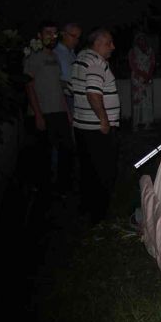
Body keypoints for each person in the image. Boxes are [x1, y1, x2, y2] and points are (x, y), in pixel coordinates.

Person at [70, 28, 120, 224]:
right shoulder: (97, 62)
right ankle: (99, 216)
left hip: (82, 126)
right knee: (104, 172)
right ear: (97, 43)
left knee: (88, 170)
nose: (113, 47)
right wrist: (104, 119)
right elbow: (93, 92)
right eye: (109, 43)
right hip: (97, 129)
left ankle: (86, 207)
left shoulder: (81, 58)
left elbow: (70, 87)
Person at [24, 20, 75, 196]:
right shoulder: (33, 56)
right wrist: (38, 115)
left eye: (54, 33)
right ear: (39, 35)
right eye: (47, 33)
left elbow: (58, 87)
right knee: (42, 154)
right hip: (43, 113)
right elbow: (29, 86)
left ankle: (62, 187)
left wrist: (68, 113)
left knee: (66, 149)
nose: (51, 36)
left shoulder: (54, 57)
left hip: (59, 111)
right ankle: (42, 189)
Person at [128, 32, 155, 131]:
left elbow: (152, 64)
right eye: (139, 39)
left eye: (143, 39)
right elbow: (133, 66)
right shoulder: (133, 52)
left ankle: (147, 123)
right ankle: (135, 124)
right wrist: (142, 75)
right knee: (137, 101)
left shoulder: (150, 51)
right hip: (137, 79)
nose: (141, 41)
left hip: (148, 78)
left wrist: (148, 76)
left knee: (147, 101)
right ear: (136, 41)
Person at [54, 22, 82, 115]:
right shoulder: (56, 53)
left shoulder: (73, 53)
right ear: (63, 34)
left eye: (78, 37)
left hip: (75, 98)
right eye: (73, 36)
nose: (76, 40)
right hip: (63, 98)